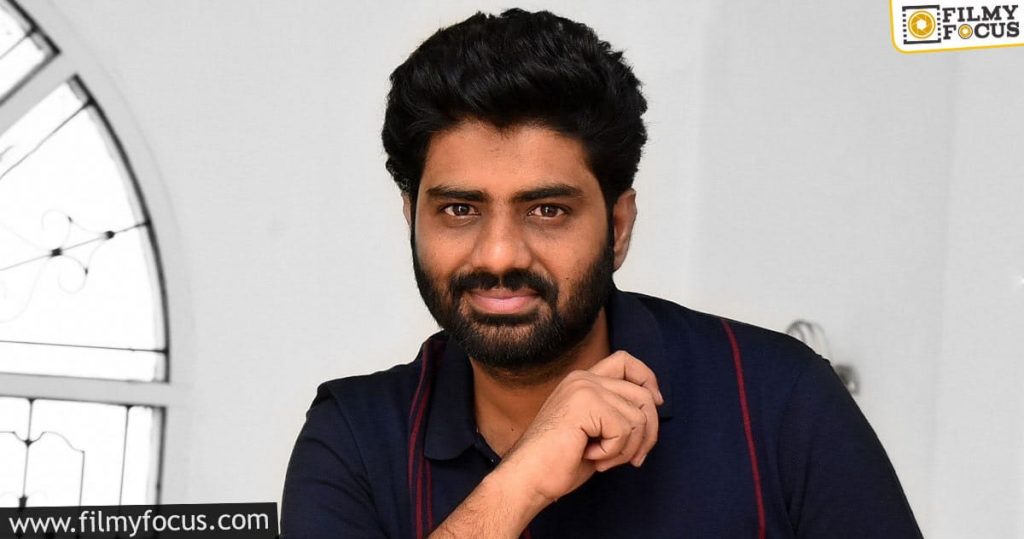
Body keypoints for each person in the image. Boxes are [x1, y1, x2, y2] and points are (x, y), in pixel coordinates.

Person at [281, 8, 922, 538]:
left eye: (547, 210)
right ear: (412, 219)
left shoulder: (780, 401)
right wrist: (521, 483)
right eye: (459, 209)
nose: (499, 255)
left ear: (618, 227)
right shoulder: (355, 436)